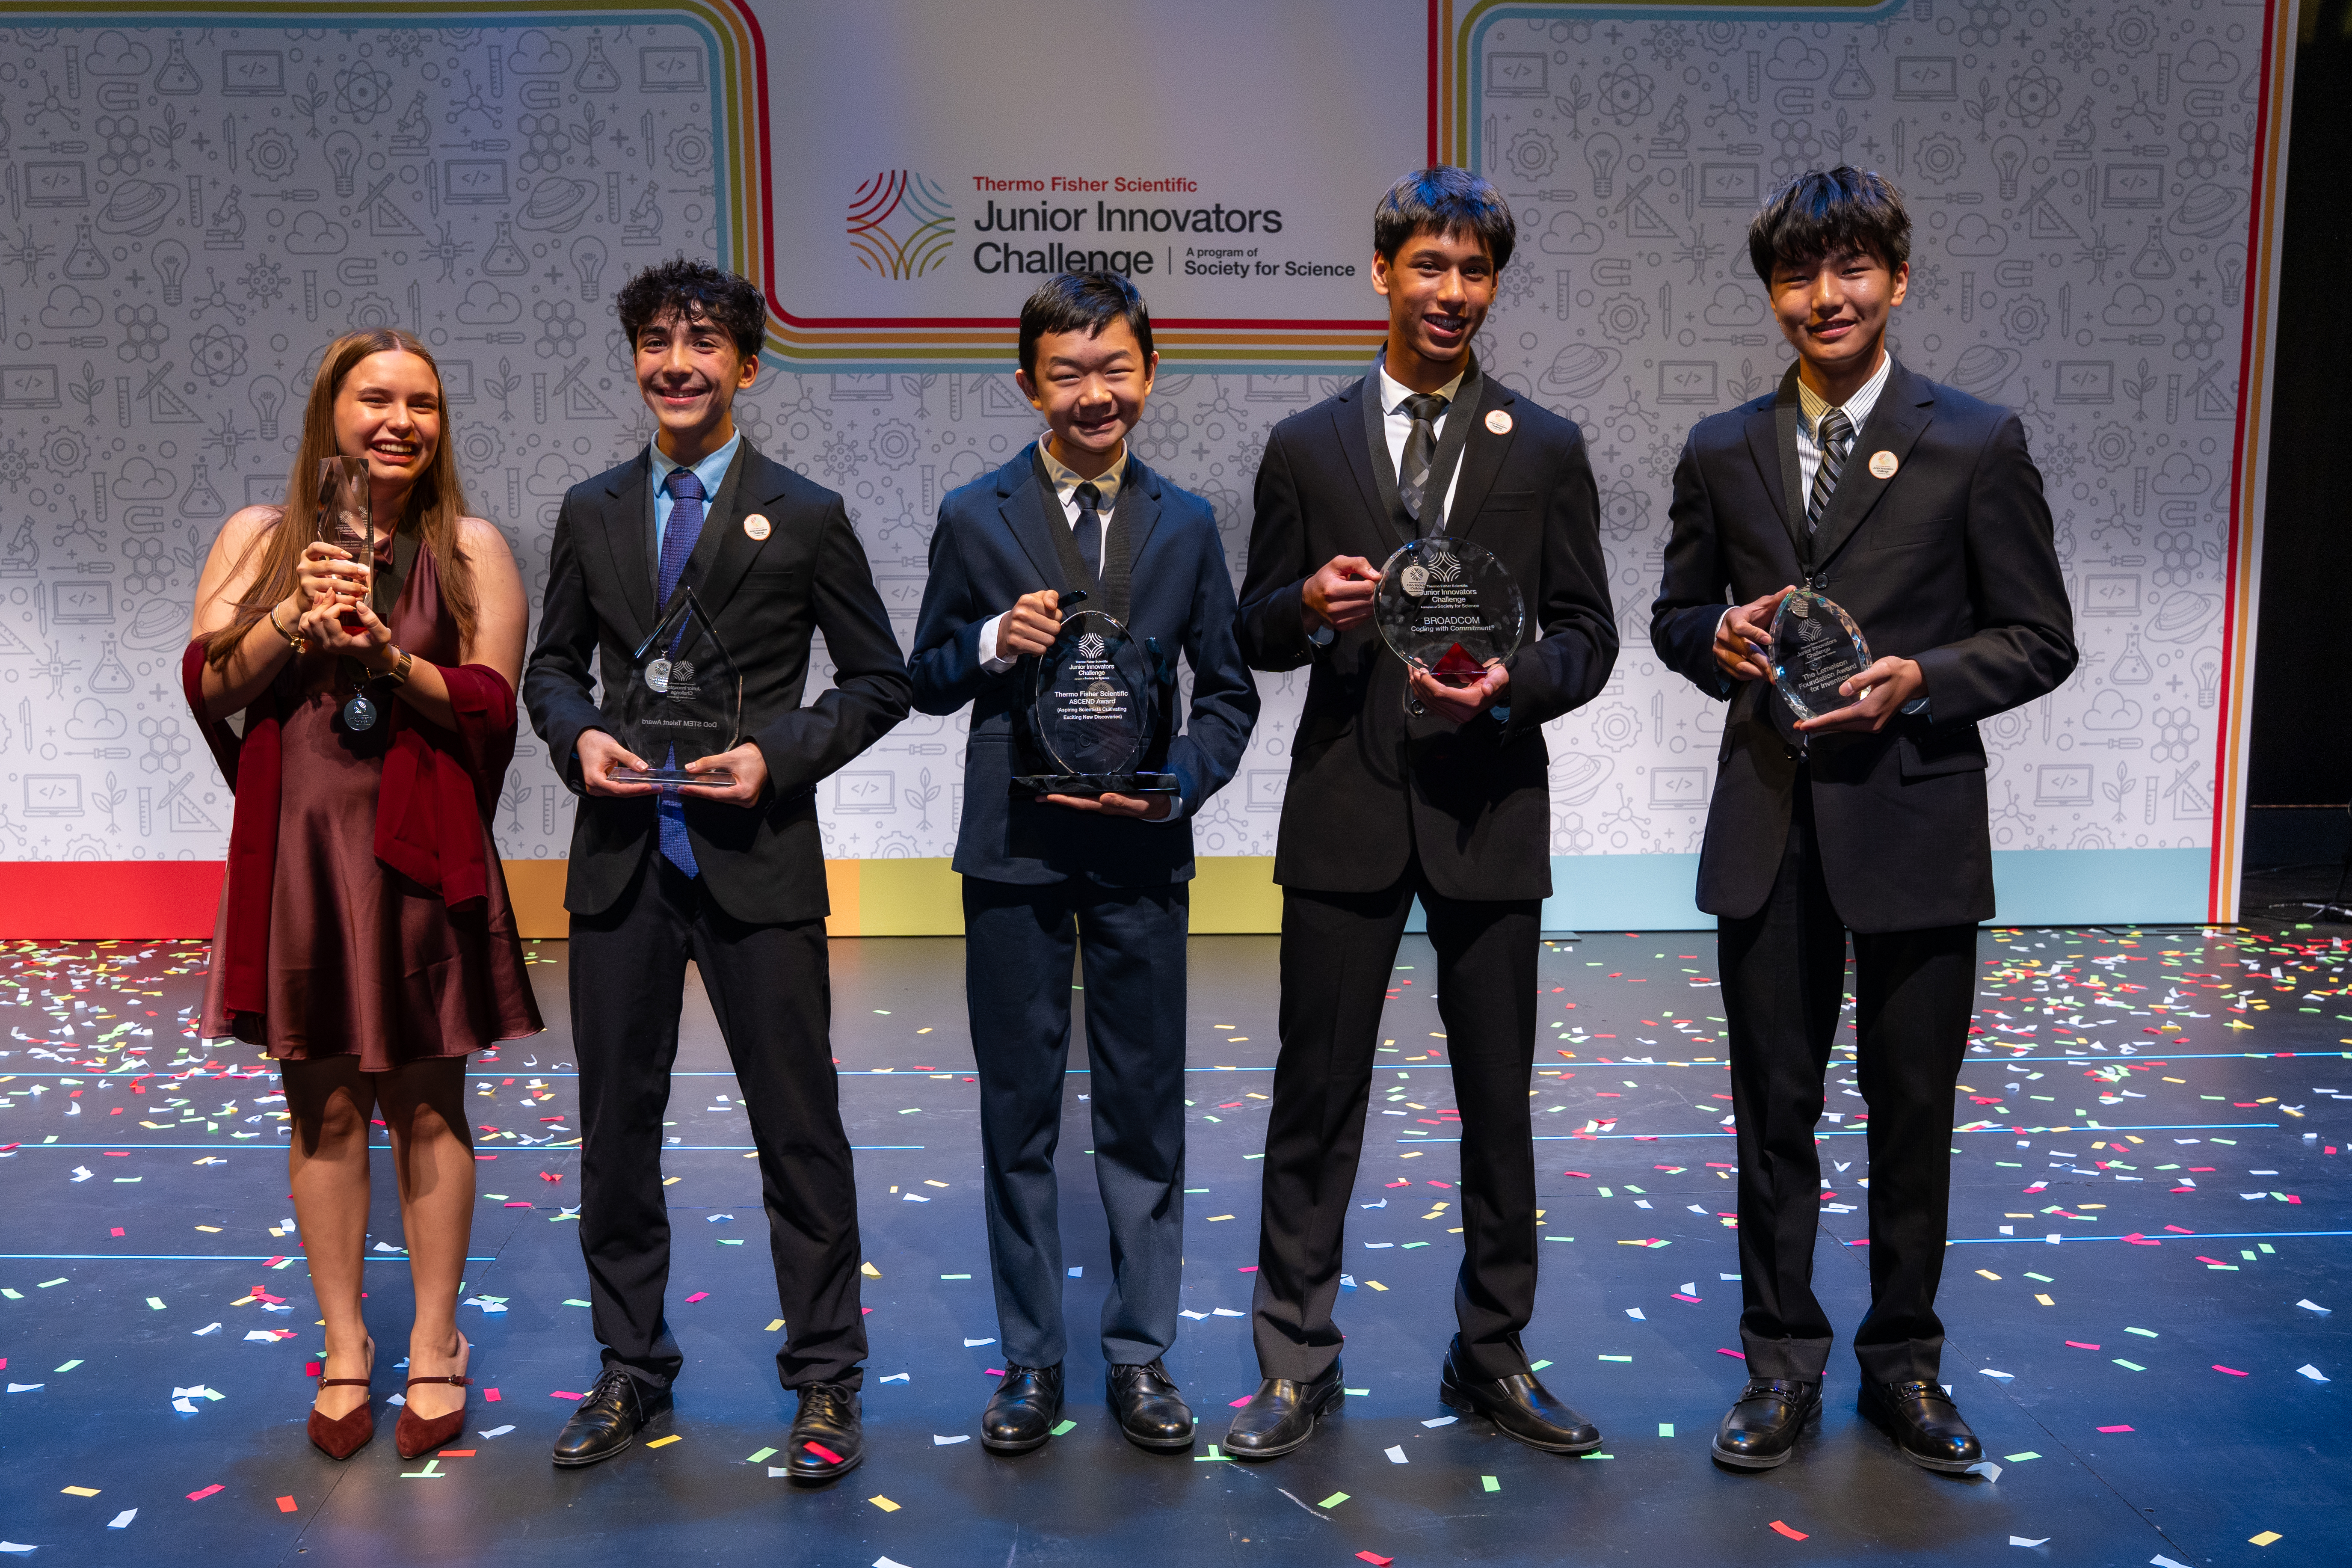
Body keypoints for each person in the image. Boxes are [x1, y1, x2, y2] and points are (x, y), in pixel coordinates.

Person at [1649, 168, 2077, 1474]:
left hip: (1914, 822)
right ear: (1770, 292)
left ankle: (1903, 1364)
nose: (1822, 298)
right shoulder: (1720, 446)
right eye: (1797, 275)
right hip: (1768, 824)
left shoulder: (1974, 440)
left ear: (1895, 278)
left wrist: (1922, 678)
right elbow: (1672, 617)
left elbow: (2037, 636)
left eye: (1849, 270)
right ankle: (1778, 1362)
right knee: (1771, 1112)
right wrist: (1711, 636)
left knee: (1910, 1109)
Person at [1227, 168, 1618, 1459]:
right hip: (1345, 808)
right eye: (1428, 266)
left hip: (1488, 808)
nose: (1451, 291)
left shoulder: (1544, 446)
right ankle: (1295, 1357)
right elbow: (1249, 630)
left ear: (1492, 285)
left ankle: (1492, 1351)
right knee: (1315, 1095)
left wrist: (1515, 686)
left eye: (1474, 271)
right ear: (1381, 273)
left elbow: (1590, 634)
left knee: (1497, 1101)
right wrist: (1303, 607)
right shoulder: (1306, 445)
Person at [522, 258, 911, 1481]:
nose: (676, 364)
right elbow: (551, 668)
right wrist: (576, 737)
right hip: (621, 865)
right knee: (613, 1134)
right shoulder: (590, 509)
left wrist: (777, 756)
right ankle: (631, 1367)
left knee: (800, 1130)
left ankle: (827, 1378)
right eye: (656, 341)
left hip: (758, 860)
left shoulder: (806, 512)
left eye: (702, 343)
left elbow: (879, 680)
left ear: (747, 364)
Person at [907, 272, 1259, 1456]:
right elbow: (924, 676)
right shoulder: (975, 513)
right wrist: (986, 641)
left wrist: (1182, 782)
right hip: (1014, 850)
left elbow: (1228, 691)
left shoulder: (1188, 522)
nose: (1093, 394)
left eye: (1115, 369)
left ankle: (1140, 1354)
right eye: (1067, 374)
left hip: (1141, 850)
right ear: (1029, 385)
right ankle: (1030, 1361)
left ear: (1150, 373)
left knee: (1143, 1108)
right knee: (1018, 1111)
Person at [186, 328, 542, 1462]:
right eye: (375, 399)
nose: (400, 421)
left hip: (420, 854)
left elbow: (490, 702)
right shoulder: (260, 537)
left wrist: (390, 659)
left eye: (422, 403)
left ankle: (436, 1341)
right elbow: (210, 681)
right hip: (301, 852)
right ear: (329, 414)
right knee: (325, 1104)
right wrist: (290, 616)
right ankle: (346, 1344)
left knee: (429, 1101)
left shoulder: (469, 546)